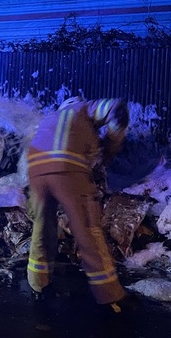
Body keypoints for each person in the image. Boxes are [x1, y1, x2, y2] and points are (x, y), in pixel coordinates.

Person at [25, 96, 132, 314]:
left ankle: (39, 286)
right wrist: (111, 145)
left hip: (36, 170)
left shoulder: (49, 117)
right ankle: (111, 296)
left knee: (42, 229)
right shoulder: (85, 108)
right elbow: (117, 109)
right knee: (87, 231)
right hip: (68, 169)